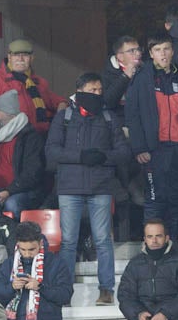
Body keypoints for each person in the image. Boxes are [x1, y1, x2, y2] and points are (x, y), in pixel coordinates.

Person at [45, 71, 127, 302]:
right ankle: (65, 290)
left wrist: (103, 157)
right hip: (69, 187)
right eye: (93, 90)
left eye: (100, 90)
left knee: (102, 240)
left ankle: (107, 290)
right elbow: (51, 151)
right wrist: (81, 156)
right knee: (69, 241)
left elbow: (123, 152)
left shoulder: (109, 118)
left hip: (101, 186)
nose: (97, 94)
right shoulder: (64, 117)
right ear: (79, 91)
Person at [125, 34, 178, 236]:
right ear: (151, 53)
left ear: (173, 50)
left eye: (166, 49)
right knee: (155, 202)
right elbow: (132, 114)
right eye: (157, 50)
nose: (163, 54)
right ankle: (152, 248)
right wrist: (140, 147)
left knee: (177, 200)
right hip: (155, 150)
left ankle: (173, 246)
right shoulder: (142, 78)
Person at [117, 219, 178, 320]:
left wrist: (166, 314)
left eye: (158, 236)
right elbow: (125, 296)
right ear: (145, 239)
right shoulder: (135, 264)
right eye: (150, 236)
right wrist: (139, 314)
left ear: (166, 238)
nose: (154, 240)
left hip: (175, 319)